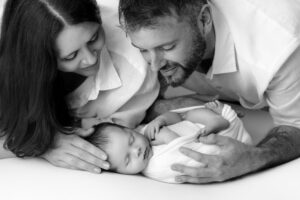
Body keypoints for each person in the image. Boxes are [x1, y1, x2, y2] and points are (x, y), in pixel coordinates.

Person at [118, 0, 300, 183]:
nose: (155, 65)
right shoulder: (142, 37)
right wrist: (167, 107)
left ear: (204, 20)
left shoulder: (279, 46)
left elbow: (296, 125)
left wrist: (254, 157)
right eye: (142, 50)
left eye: (167, 48)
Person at [0, 0, 159, 173]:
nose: (90, 59)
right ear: (38, 62)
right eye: (71, 56)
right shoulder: (11, 61)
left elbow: (127, 143)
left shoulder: (135, 67)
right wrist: (42, 144)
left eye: (93, 38)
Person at [87, 101, 252, 183]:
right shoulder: (155, 166)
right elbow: (185, 153)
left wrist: (160, 120)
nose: (136, 150)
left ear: (131, 130)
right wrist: (166, 136)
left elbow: (177, 117)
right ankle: (219, 122)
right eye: (128, 159)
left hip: (200, 125)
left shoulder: (145, 132)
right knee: (192, 118)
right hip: (214, 140)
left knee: (189, 114)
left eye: (131, 139)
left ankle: (217, 120)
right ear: (121, 173)